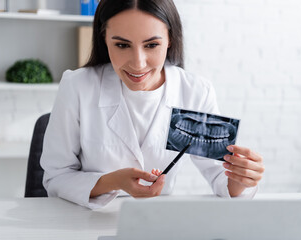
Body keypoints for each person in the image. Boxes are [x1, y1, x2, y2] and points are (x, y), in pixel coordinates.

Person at [40, 0, 264, 209]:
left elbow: (221, 179)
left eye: (151, 45)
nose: (138, 63)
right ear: (103, 39)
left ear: (170, 39)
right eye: (121, 45)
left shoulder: (195, 92)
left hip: (156, 223)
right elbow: (56, 177)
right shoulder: (78, 86)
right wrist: (113, 181)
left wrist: (241, 178)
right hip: (83, 222)